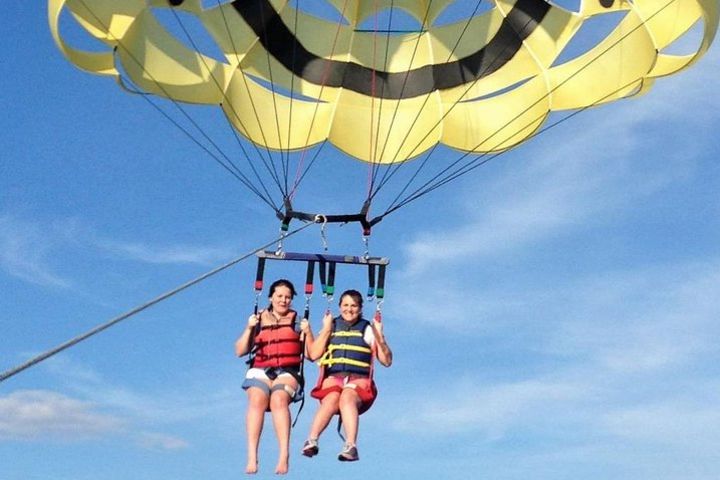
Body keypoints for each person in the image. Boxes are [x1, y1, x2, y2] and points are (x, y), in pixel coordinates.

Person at [301, 289, 393, 462]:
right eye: (345, 305)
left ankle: (351, 445)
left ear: (360, 308)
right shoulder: (331, 326)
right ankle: (311, 440)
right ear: (339, 307)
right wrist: (326, 329)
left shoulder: (368, 329)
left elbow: (386, 361)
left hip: (358, 380)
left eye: (353, 306)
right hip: (334, 378)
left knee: (347, 397)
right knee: (332, 398)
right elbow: (313, 355)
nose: (349, 309)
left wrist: (379, 335)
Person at [235, 279, 314, 475]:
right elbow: (240, 351)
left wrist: (308, 332)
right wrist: (248, 328)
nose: (283, 300)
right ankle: (252, 456)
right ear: (271, 297)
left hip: (288, 371)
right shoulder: (258, 320)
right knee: (256, 399)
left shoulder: (297, 322)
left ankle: (283, 455)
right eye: (279, 296)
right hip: (261, 369)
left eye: (287, 297)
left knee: (279, 399)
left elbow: (312, 355)